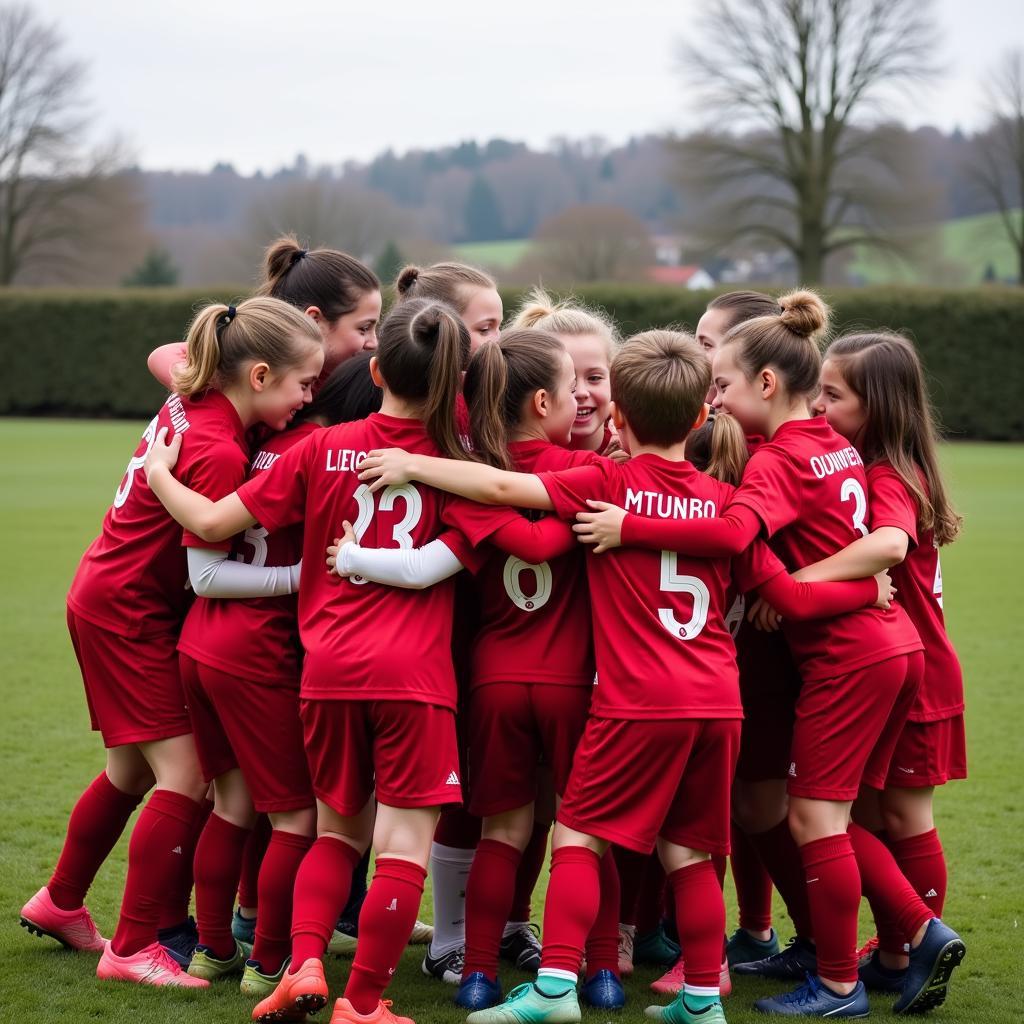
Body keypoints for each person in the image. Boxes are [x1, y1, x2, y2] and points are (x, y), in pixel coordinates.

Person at [351, 329, 892, 1024]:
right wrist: (865, 590)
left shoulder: (606, 484)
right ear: (702, 417)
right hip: (717, 702)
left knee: (575, 837)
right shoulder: (725, 500)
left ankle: (548, 992)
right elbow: (780, 589)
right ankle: (701, 996)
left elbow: (498, 483)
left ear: (619, 421)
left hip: (631, 700)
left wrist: (416, 467)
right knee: (691, 852)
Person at [573, 292, 966, 1018]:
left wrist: (632, 525)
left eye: (720, 383)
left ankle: (849, 978)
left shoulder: (776, 463)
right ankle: (905, 940)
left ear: (765, 383)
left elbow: (733, 541)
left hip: (850, 658)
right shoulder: (837, 445)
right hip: (890, 648)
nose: (712, 398)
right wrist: (846, 586)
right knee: (841, 819)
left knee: (818, 820)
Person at [144, 298, 485, 1024]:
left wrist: (160, 476)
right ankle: (362, 1003)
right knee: (401, 846)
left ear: (376, 364)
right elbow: (447, 557)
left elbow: (208, 523)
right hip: (414, 679)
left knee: (337, 833)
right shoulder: (463, 465)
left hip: (326, 673)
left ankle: (300, 966)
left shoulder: (313, 449)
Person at [20, 297, 324, 989]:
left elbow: (171, 358)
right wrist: (309, 577)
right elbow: (208, 575)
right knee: (185, 777)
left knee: (131, 771)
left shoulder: (195, 395)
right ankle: (132, 949)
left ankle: (63, 900)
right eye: (302, 383)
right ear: (257, 375)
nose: (309, 398)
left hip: (105, 591)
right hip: (130, 611)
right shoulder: (219, 449)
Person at [324, 330, 625, 1013]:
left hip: (492, 680)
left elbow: (446, 550)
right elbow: (548, 539)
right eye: (571, 387)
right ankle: (597, 971)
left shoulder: (464, 483)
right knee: (585, 831)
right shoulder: (598, 473)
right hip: (574, 680)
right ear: (544, 401)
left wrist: (355, 558)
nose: (581, 397)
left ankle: (479, 971)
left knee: (503, 832)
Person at [792, 332, 965, 1003]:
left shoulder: (889, 474)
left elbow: (889, 544)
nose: (820, 405)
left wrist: (797, 580)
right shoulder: (870, 465)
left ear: (881, 407)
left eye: (833, 395)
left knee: (892, 818)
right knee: (867, 813)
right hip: (905, 664)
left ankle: (916, 942)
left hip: (904, 669)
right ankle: (898, 958)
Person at [511, 289, 620, 456]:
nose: (582, 393)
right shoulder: (512, 456)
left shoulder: (636, 448)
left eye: (594, 378)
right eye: (570, 382)